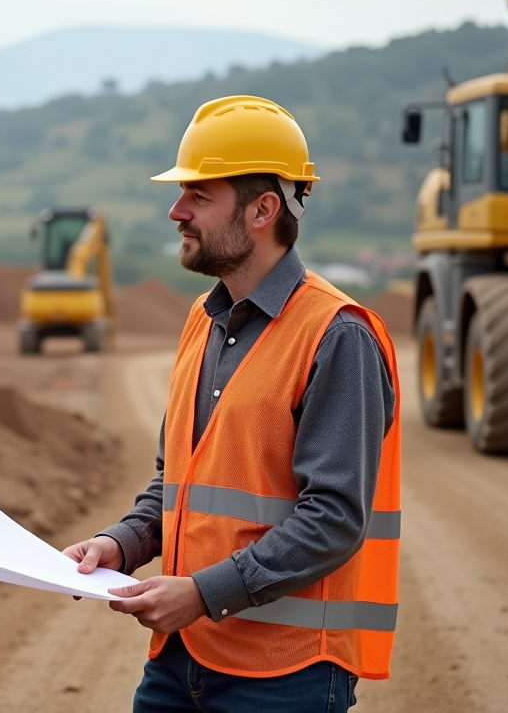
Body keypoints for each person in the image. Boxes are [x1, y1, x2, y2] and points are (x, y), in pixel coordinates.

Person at [64, 95, 400, 713]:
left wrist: (200, 592)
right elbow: (179, 483)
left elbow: (333, 518)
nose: (176, 211)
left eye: (198, 195)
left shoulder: (336, 334)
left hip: (286, 676)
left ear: (262, 210)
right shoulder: (203, 319)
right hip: (179, 663)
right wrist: (121, 544)